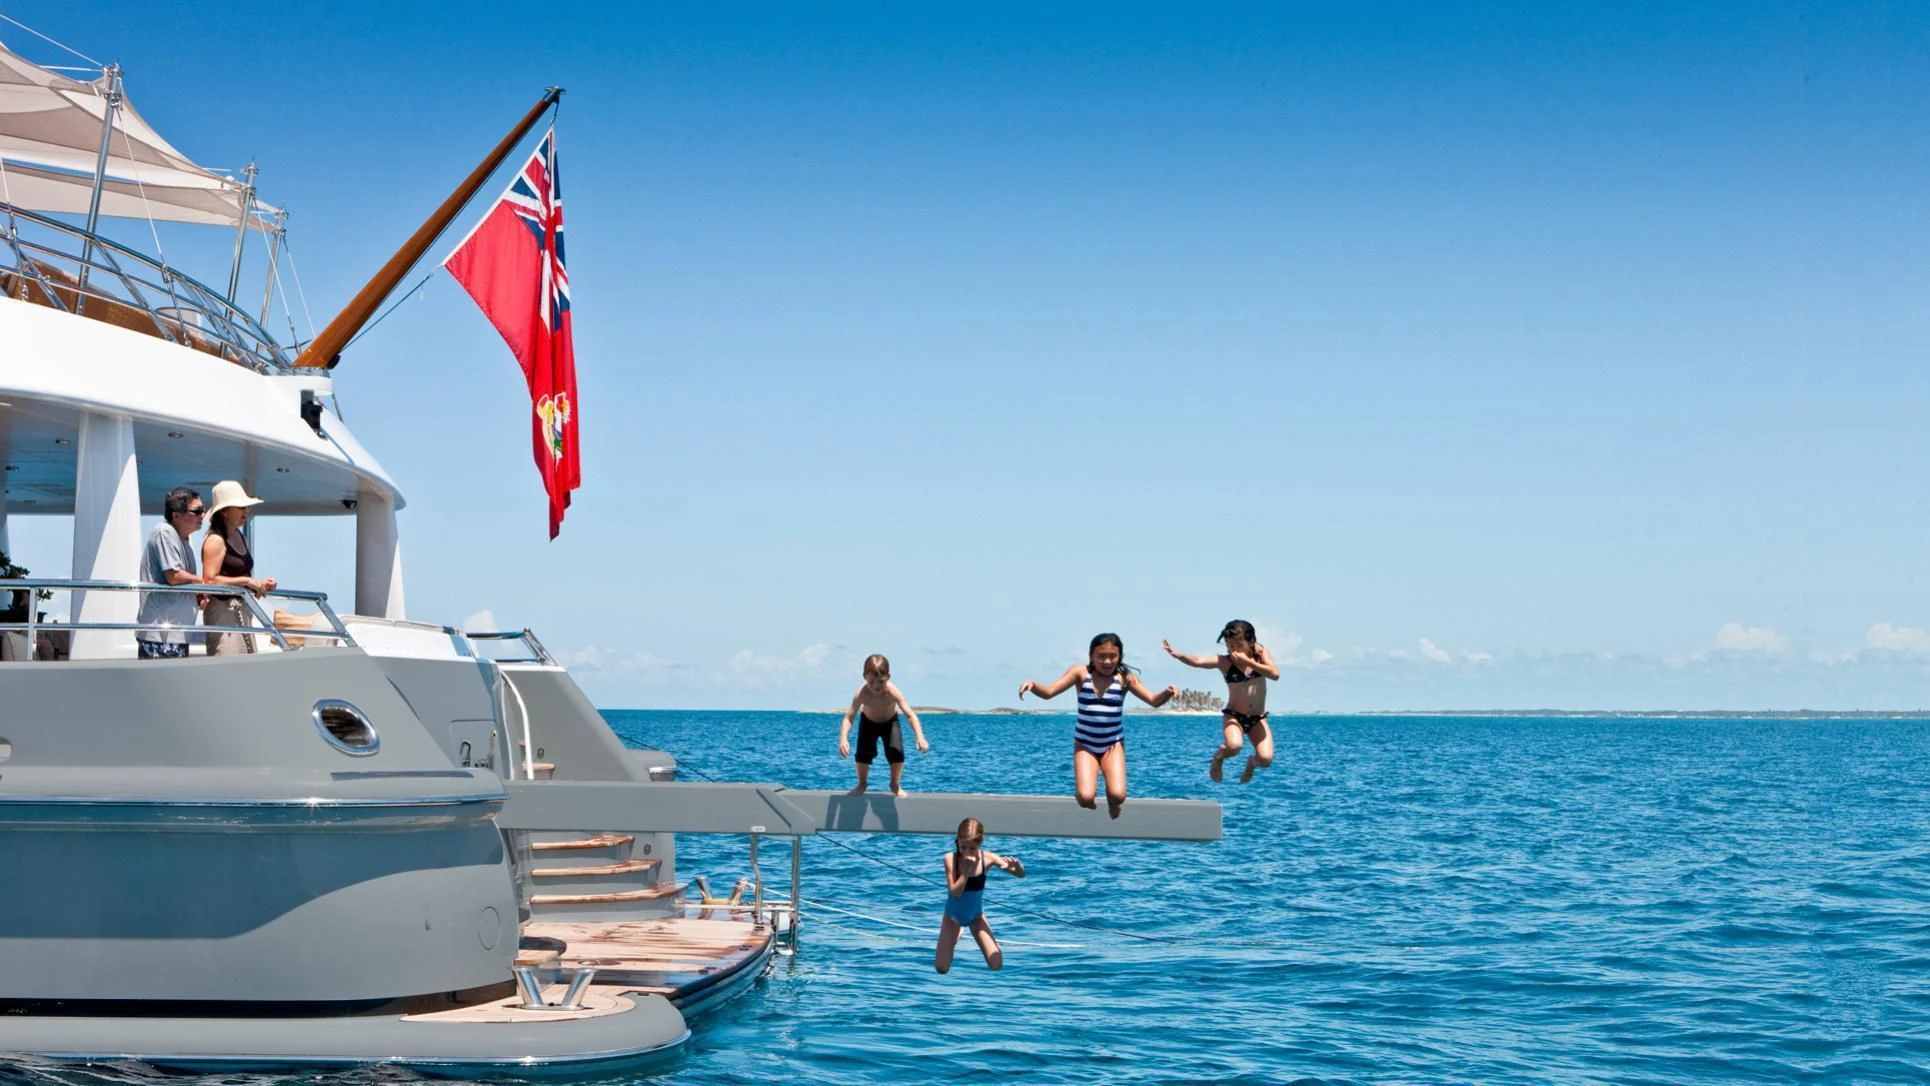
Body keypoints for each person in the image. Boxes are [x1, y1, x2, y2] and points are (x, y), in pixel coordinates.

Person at [1018, 633, 1176, 818]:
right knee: (1085, 797)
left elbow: (1153, 701)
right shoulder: (1080, 673)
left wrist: (1167, 692)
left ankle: (1114, 804)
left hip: (1113, 744)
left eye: (1112, 656)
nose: (1107, 661)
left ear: (1120, 657)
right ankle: (1089, 804)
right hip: (1085, 744)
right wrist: (1033, 685)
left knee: (1118, 795)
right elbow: (1049, 692)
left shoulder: (1125, 678)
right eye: (1101, 656)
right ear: (1091, 656)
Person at [1164, 619, 1282, 783]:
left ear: (1251, 642)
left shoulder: (1260, 654)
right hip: (1234, 716)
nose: (1234, 650)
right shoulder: (1225, 662)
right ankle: (1218, 757)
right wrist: (1179, 655)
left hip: (1257, 718)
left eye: (1238, 646)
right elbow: (1198, 661)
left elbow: (1275, 674)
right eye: (1230, 646)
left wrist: (1248, 662)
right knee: (1234, 746)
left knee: (1266, 759)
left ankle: (1251, 764)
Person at [935, 817, 1025, 973]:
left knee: (996, 964)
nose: (968, 853)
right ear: (958, 842)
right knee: (942, 968)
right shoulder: (950, 859)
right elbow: (955, 893)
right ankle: (957, 932)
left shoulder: (987, 858)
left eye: (972, 848)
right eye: (964, 848)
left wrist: (1017, 868)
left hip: (976, 917)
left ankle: (962, 931)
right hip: (952, 917)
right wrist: (965, 873)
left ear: (980, 842)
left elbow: (1019, 874)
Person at [837, 654, 929, 797]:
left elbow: (910, 715)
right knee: (862, 754)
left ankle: (894, 784)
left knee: (896, 752)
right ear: (864, 677)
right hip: (868, 723)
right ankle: (862, 783)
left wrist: (920, 737)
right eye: (871, 681)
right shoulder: (861, 694)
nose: (876, 686)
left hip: (890, 723)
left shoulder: (893, 692)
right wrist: (843, 739)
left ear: (888, 677)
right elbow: (849, 717)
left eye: (881, 681)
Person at [199, 481, 275, 656]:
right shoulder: (215, 540)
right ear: (224, 512)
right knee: (227, 671)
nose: (246, 511)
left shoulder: (238, 535)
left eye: (246, 506)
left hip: (242, 612)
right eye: (241, 507)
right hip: (223, 615)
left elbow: (238, 575)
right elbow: (209, 581)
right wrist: (247, 581)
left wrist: (259, 584)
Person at [136, 487, 204, 660]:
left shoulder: (185, 540)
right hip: (161, 636)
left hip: (178, 634)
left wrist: (196, 595)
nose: (202, 515)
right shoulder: (164, 532)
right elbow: (173, 576)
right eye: (197, 511)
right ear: (176, 515)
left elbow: (182, 580)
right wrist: (204, 582)